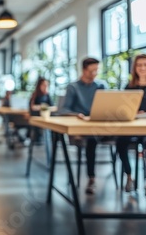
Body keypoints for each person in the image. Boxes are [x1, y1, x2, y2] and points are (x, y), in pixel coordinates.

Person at [116, 54, 146, 197]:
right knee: (121, 142)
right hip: (132, 127)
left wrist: (144, 113)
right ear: (134, 68)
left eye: (145, 65)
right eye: (139, 65)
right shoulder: (128, 87)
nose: (142, 68)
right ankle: (129, 177)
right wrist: (133, 112)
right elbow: (124, 110)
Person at [59, 57, 106, 194]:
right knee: (91, 139)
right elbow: (63, 110)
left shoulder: (101, 86)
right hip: (82, 129)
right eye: (91, 71)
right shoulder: (73, 87)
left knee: (123, 138)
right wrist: (76, 115)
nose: (94, 74)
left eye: (96, 70)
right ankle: (91, 179)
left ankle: (129, 178)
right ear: (84, 70)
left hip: (101, 125)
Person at [27, 77, 52, 144]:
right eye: (44, 85)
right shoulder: (35, 95)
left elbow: (52, 106)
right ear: (39, 85)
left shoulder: (47, 95)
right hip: (37, 117)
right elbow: (32, 107)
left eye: (47, 85)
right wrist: (42, 107)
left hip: (46, 116)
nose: (45, 87)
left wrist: (46, 108)